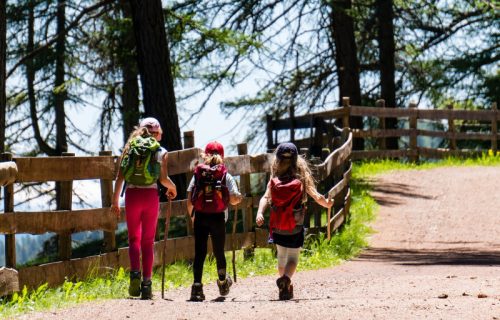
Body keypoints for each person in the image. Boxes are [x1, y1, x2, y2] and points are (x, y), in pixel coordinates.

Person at [255, 142, 333, 300]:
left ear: (277, 159)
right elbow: (316, 196)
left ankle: (285, 288)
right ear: (296, 159)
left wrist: (259, 213)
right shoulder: (301, 176)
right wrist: (327, 203)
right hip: (295, 226)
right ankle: (286, 280)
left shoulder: (275, 177)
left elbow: (265, 197)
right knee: (293, 259)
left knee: (282, 257)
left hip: (277, 226)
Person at [111, 117, 177, 300]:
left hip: (132, 196)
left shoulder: (130, 147)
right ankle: (147, 284)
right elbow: (163, 180)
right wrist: (173, 188)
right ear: (159, 133)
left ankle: (134, 275)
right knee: (148, 241)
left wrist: (115, 201)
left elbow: (120, 177)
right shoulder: (160, 151)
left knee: (134, 240)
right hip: (150, 197)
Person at [186, 141, 242, 301]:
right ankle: (223, 283)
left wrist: (192, 217)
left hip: (201, 217)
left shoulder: (198, 174)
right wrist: (238, 199)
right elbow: (232, 199)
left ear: (205, 155)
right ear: (222, 156)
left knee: (200, 253)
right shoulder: (225, 175)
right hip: (218, 218)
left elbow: (190, 200)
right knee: (219, 252)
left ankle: (196, 288)